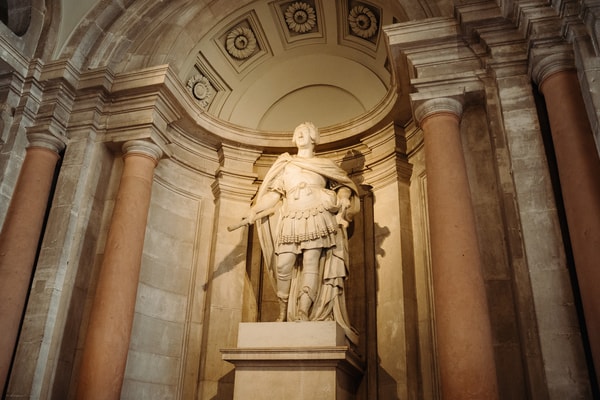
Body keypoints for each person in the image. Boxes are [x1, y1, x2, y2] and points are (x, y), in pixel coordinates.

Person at [246, 121, 359, 344]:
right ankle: (282, 311)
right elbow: (274, 195)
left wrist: (344, 196)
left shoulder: (325, 164)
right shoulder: (286, 164)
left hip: (317, 214)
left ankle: (303, 312)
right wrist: (254, 210)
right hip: (291, 217)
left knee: (311, 262)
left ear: (314, 138)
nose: (300, 134)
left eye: (305, 131)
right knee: (283, 265)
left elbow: (343, 185)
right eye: (297, 131)